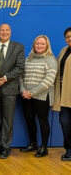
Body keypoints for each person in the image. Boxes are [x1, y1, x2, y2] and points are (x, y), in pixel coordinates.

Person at [0, 24, 25, 159]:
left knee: (7, 120)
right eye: (2, 30)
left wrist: (4, 78)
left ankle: (6, 147)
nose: (4, 32)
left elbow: (20, 67)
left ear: (11, 32)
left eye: (7, 30)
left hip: (10, 89)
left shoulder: (18, 47)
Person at [19, 35, 57, 157]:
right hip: (26, 96)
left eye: (42, 44)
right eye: (37, 43)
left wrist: (32, 92)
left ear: (47, 46)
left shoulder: (50, 59)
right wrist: (23, 90)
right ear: (34, 45)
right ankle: (33, 143)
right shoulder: (28, 59)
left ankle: (44, 147)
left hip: (42, 96)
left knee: (43, 121)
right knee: (29, 120)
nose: (39, 46)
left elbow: (49, 81)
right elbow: (20, 76)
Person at [54, 27, 71, 161]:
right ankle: (68, 149)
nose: (69, 39)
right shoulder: (63, 51)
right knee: (64, 123)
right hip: (64, 95)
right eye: (67, 37)